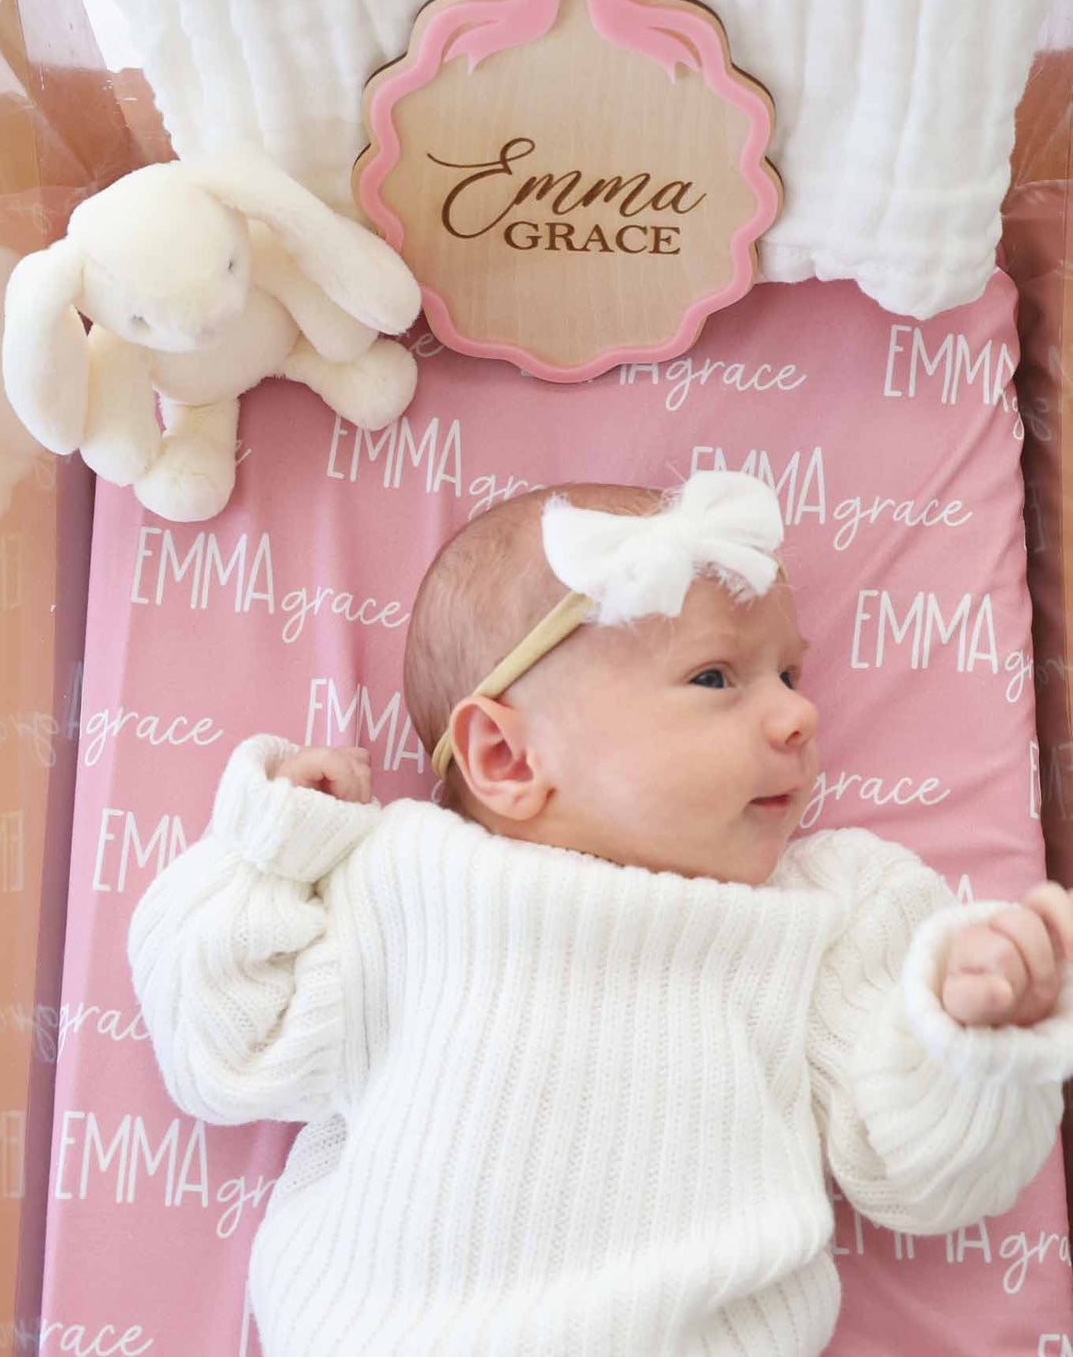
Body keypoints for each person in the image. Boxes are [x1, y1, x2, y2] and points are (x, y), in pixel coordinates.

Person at [128, 471, 1073, 1357]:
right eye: (716, 678)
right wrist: (268, 849)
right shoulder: (405, 883)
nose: (799, 719)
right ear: (505, 758)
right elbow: (224, 1050)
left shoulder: (826, 913)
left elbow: (918, 1176)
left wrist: (968, 1042)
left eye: (791, 676)